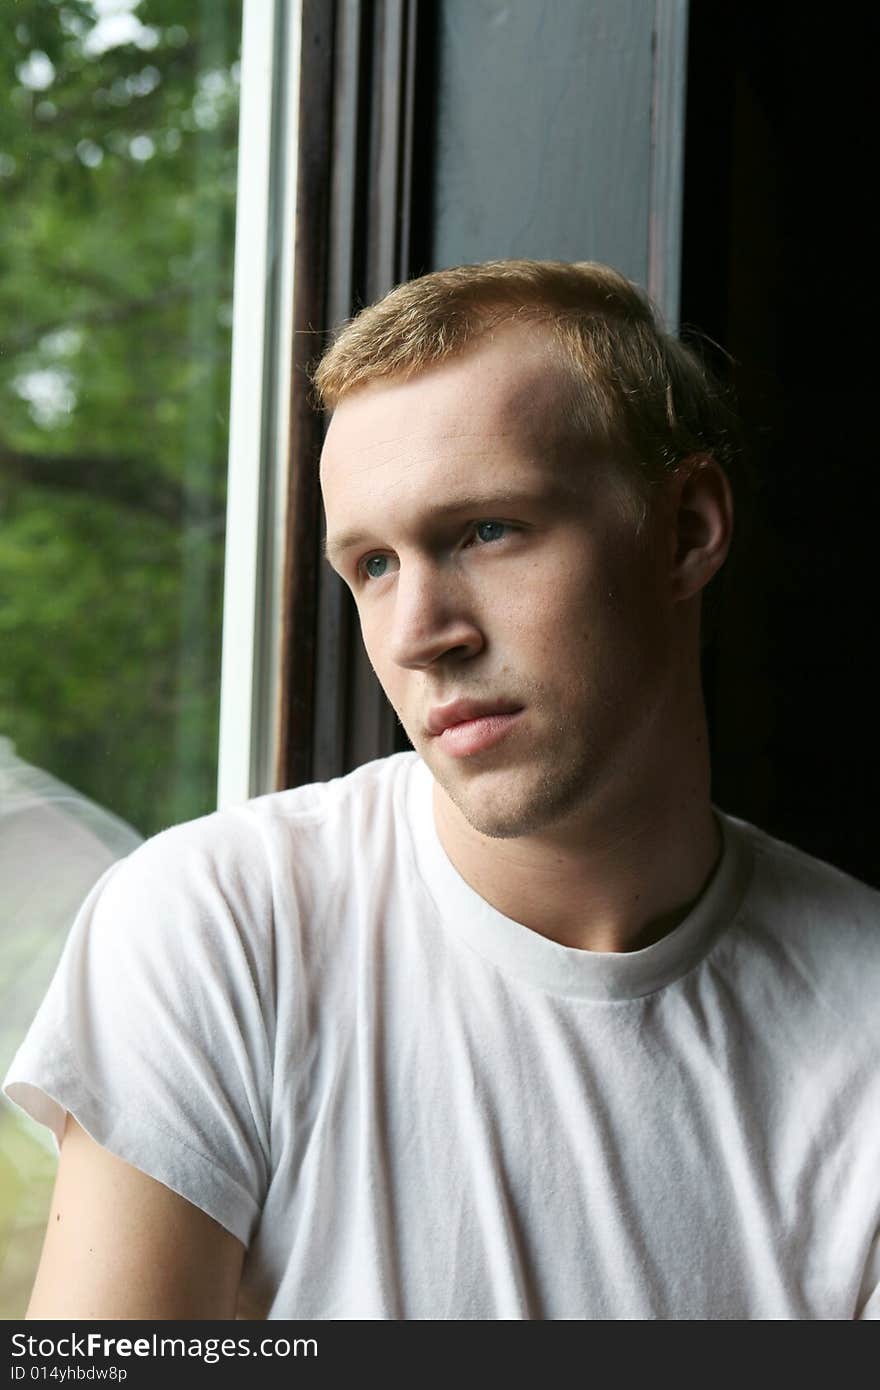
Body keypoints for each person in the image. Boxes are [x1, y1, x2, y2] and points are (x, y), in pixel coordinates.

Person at [4, 260, 878, 1320]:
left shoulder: (859, 1013)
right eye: (372, 565)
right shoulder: (221, 923)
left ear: (687, 528)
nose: (420, 635)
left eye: (486, 530)